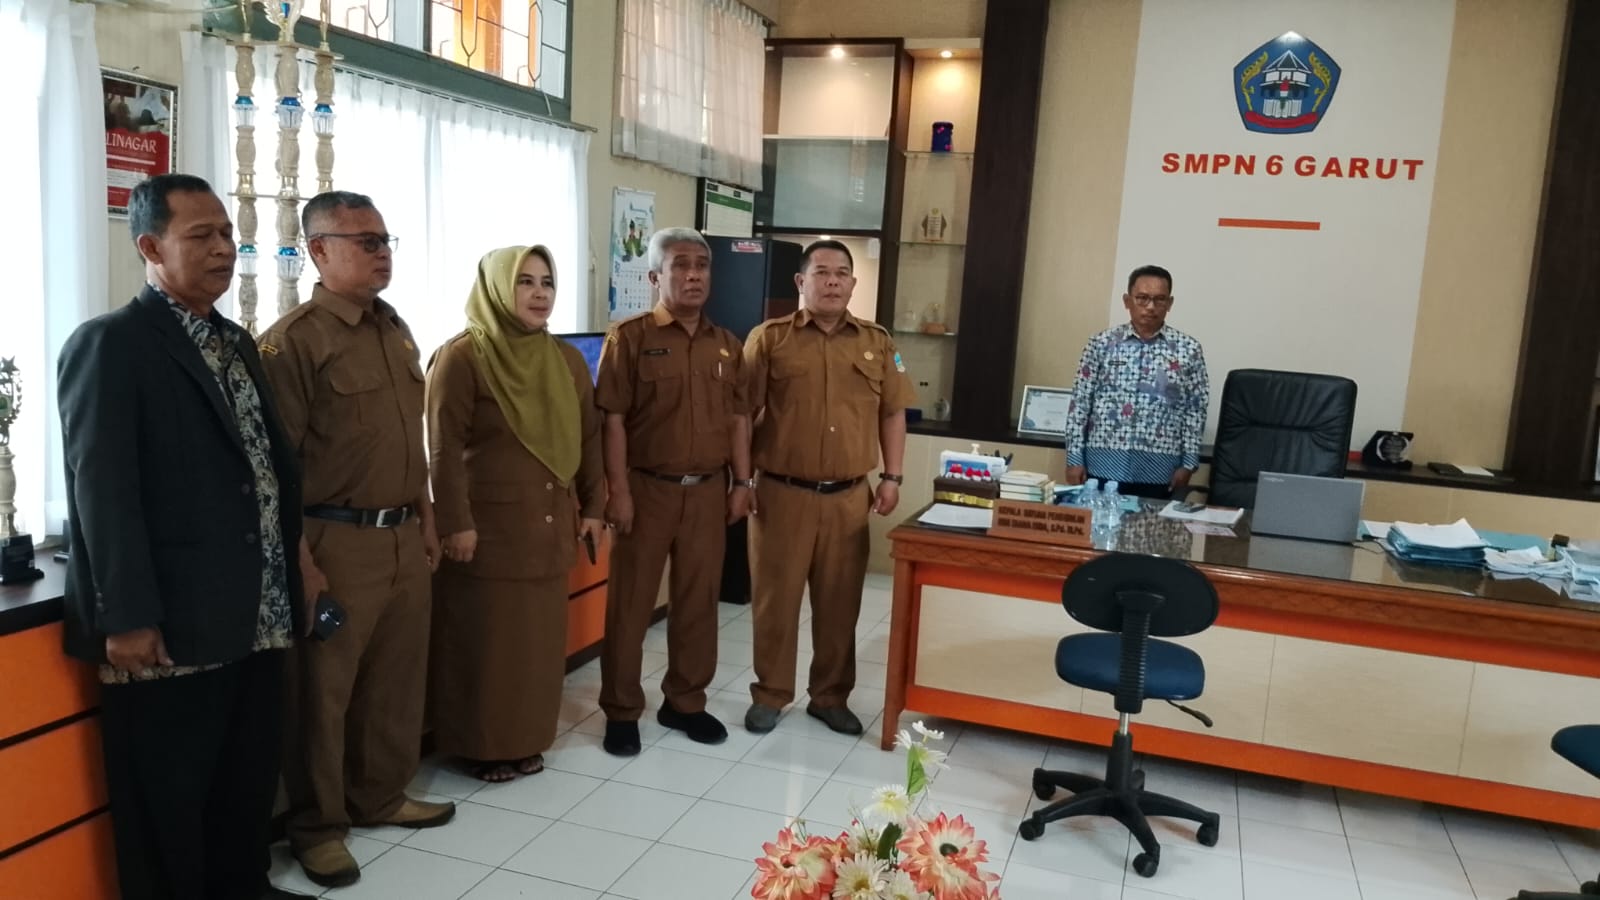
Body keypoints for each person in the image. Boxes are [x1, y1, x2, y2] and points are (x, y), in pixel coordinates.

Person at [56, 174, 309, 900]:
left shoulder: (236, 342)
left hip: (256, 612)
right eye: (201, 236)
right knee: (169, 801)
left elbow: (261, 471)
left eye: (227, 233)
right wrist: (127, 616)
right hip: (168, 626)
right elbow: (103, 492)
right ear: (149, 246)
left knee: (245, 782)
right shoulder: (112, 344)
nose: (224, 248)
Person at [258, 191, 451, 888]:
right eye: (365, 241)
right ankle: (317, 827)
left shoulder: (393, 328)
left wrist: (426, 518)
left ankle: (380, 794)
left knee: (395, 681)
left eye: (385, 240)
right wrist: (303, 565)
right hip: (332, 540)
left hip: (401, 535)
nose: (381, 253)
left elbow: (411, 443)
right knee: (322, 695)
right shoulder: (293, 342)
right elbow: (275, 470)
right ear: (319, 250)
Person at [426, 245, 605, 782]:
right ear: (498, 288)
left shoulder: (565, 360)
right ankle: (480, 746)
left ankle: (527, 739)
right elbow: (442, 449)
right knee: (488, 645)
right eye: (525, 281)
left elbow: (588, 438)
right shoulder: (462, 357)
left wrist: (594, 507)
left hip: (550, 526)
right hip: (488, 532)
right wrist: (455, 522)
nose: (539, 293)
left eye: (547, 282)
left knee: (536, 648)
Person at [742, 239, 917, 737]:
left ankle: (830, 697)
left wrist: (892, 476)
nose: (833, 281)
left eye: (842, 273)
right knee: (775, 602)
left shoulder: (877, 342)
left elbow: (893, 413)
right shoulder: (769, 339)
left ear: (853, 283)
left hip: (848, 497)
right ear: (802, 281)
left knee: (840, 604)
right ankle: (771, 694)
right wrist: (741, 478)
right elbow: (741, 414)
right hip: (780, 494)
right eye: (822, 272)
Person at [595, 227, 753, 756]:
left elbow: (739, 419)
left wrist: (742, 482)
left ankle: (684, 701)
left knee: (698, 603)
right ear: (654, 276)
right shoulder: (630, 338)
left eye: (701, 266)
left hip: (708, 491)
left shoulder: (726, 344)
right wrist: (617, 491)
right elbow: (612, 420)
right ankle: (621, 709)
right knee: (631, 605)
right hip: (647, 489)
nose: (693, 275)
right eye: (680, 265)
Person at [1063, 264, 1209, 500]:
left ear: (1170, 303)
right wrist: (1074, 458)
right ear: (1127, 301)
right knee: (1100, 522)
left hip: (1161, 470)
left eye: (1159, 299)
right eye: (1142, 298)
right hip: (1101, 466)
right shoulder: (1101, 343)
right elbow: (1080, 403)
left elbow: (1195, 409)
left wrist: (1189, 464)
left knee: (1153, 525)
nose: (1150, 307)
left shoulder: (1188, 349)